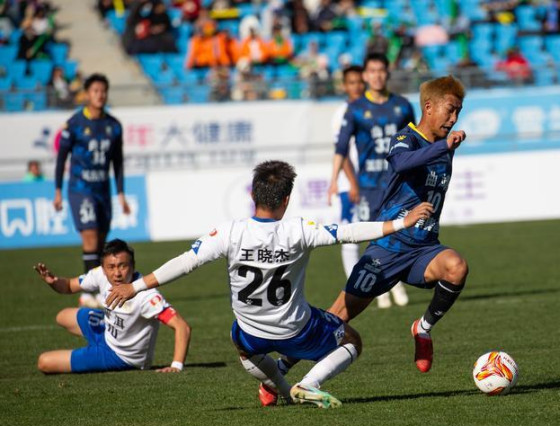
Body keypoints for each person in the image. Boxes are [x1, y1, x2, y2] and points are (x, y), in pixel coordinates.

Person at [105, 161, 433, 408]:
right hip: (296, 330)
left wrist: (134, 286)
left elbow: (186, 262)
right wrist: (401, 222)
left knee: (238, 338)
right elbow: (348, 232)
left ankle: (280, 386)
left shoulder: (230, 232)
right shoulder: (298, 230)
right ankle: (308, 382)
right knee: (352, 339)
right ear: (286, 199)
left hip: (250, 333)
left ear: (252, 195)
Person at [325, 75, 469, 374]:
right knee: (336, 318)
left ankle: (422, 329)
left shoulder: (445, 145)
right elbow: (402, 163)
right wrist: (444, 147)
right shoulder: (405, 138)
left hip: (423, 249)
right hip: (388, 248)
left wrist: (445, 146)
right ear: (428, 107)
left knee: (456, 267)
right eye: (450, 110)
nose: (454, 118)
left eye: (458, 111)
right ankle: (280, 368)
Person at [328, 53, 415, 309]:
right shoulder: (354, 109)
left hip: (398, 183)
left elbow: (416, 141)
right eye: (372, 71)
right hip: (368, 185)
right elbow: (341, 148)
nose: (377, 75)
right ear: (366, 75)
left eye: (381, 70)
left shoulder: (402, 106)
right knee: (371, 236)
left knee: (398, 234)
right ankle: (380, 287)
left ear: (387, 73)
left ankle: (393, 281)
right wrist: (334, 180)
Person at [33, 239, 191, 374]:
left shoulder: (146, 296)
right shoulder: (100, 274)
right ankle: (99, 336)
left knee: (44, 362)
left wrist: (176, 366)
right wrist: (53, 281)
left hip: (120, 356)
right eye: (111, 267)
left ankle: (94, 351)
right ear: (103, 268)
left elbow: (182, 326)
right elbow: (68, 286)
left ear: (133, 266)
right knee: (62, 316)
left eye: (122, 266)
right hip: (107, 330)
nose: (117, 273)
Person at [54, 73, 131, 308]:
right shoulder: (74, 124)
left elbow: (117, 162)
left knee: (100, 241)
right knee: (89, 235)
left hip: (102, 190)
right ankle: (88, 292)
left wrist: (120, 193)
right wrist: (57, 190)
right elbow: (61, 158)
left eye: (103, 91)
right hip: (80, 188)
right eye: (95, 91)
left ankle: (99, 288)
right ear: (87, 94)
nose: (100, 95)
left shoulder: (113, 126)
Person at [330, 65, 363, 282]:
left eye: (360, 82)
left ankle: (388, 286)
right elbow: (341, 152)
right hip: (349, 185)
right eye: (352, 82)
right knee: (351, 236)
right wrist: (353, 183)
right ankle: (355, 287)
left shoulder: (371, 109)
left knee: (384, 232)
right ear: (344, 86)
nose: (357, 86)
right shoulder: (342, 113)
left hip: (373, 182)